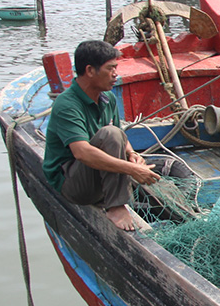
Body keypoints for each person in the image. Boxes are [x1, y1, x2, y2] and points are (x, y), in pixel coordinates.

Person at [42, 40, 159, 231]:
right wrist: (132, 170)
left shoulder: (107, 97)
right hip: (71, 184)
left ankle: (116, 197)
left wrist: (131, 155)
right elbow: (82, 153)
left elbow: (120, 136)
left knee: (114, 134)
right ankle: (116, 206)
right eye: (110, 69)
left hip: (95, 176)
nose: (116, 74)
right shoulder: (67, 105)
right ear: (89, 70)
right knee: (110, 134)